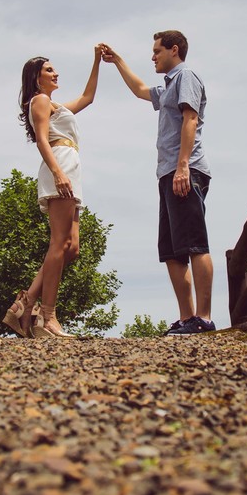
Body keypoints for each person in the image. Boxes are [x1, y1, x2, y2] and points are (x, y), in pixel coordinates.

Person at [100, 31, 215, 334]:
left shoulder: (185, 76)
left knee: (194, 243)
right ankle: (187, 317)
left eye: (156, 51)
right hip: (167, 173)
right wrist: (117, 61)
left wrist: (183, 167)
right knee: (171, 250)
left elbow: (190, 119)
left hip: (185, 170)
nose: (152, 57)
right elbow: (139, 90)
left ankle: (203, 318)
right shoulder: (167, 86)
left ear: (173, 50)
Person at [3, 46, 103, 339]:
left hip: (71, 165)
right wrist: (59, 173)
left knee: (71, 248)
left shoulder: (54, 105)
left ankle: (26, 302)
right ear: (36, 78)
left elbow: (88, 98)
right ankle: (48, 317)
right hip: (59, 165)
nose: (55, 72)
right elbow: (41, 140)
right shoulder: (40, 100)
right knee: (59, 243)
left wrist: (96, 61)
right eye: (49, 69)